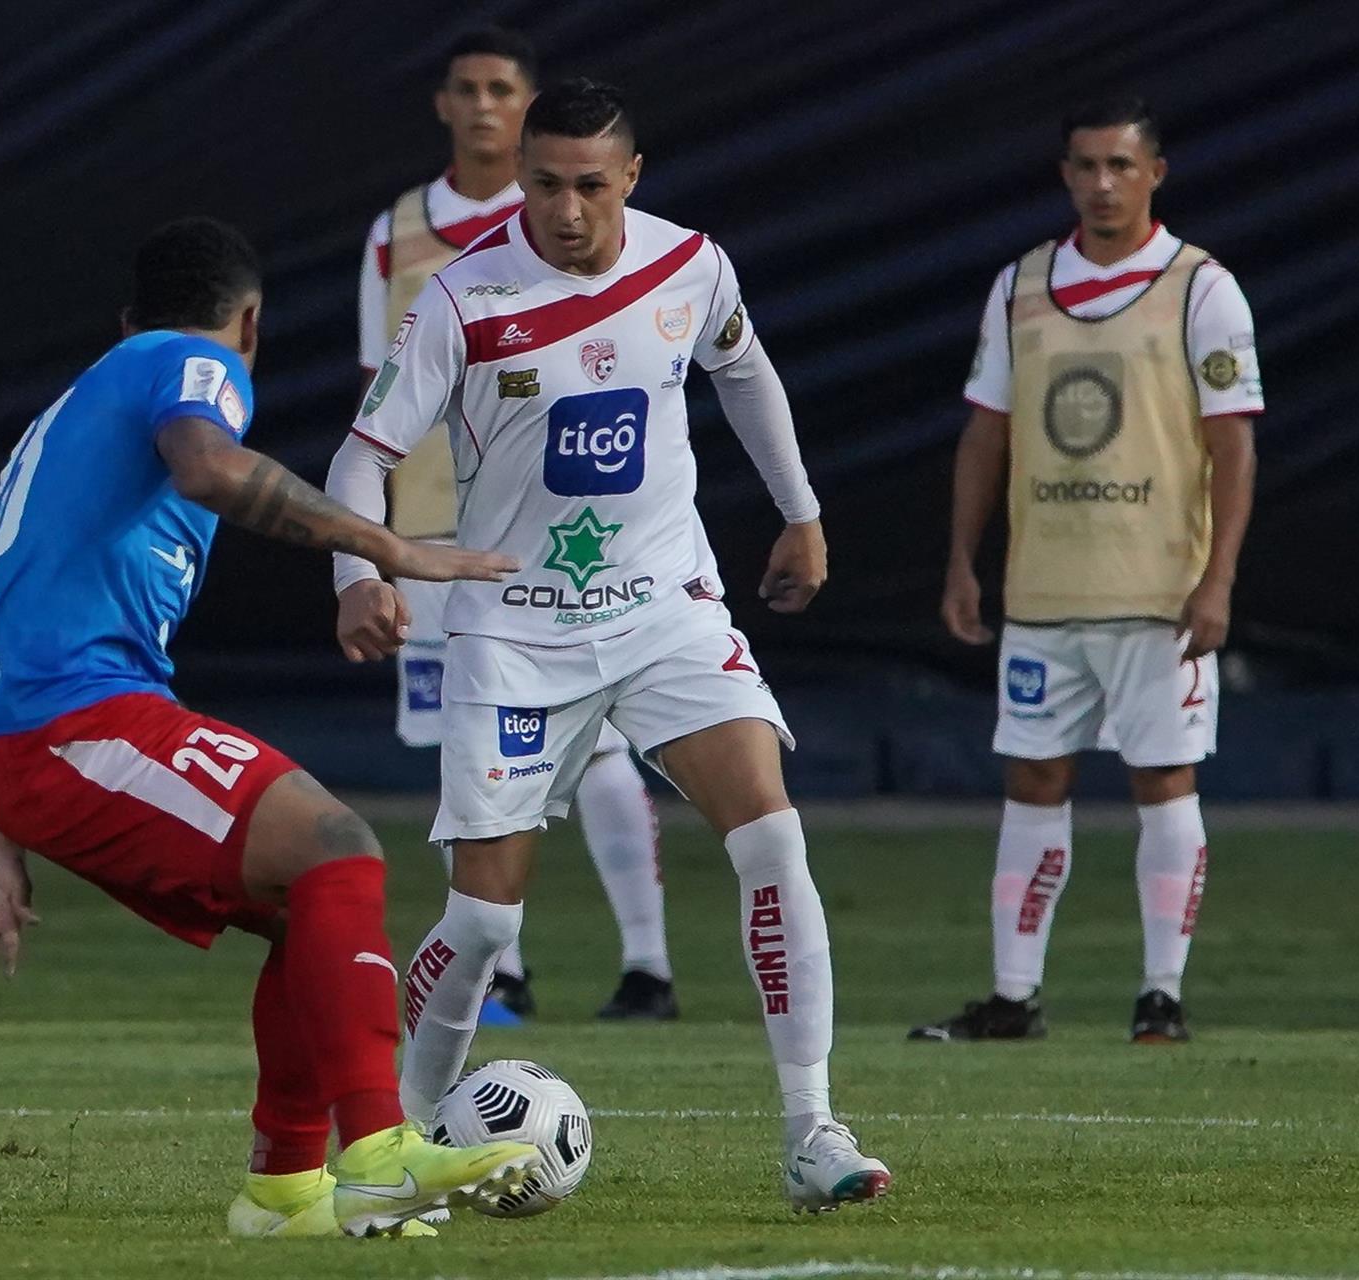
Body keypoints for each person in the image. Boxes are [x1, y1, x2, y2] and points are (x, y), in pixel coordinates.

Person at [327, 79, 891, 1213]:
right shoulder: (464, 295)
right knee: (486, 918)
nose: (567, 208)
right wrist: (358, 572)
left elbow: (745, 369)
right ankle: (390, 1154)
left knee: (772, 835)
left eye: (591, 185)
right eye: (545, 184)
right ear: (521, 177)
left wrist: (802, 508)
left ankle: (812, 1126)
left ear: (631, 177)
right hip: (514, 630)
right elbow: (359, 454)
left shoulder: (693, 265)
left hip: (663, 608)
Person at [0, 217, 538, 1240]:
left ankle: (286, 1190)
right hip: (76, 723)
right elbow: (209, 467)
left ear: (125, 319)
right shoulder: (189, 361)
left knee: (313, 908)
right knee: (337, 844)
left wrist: (1, 832)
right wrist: (389, 544)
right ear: (249, 323)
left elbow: (6, 603)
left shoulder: (72, 412)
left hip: (47, 732)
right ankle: (381, 1149)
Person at [910, 96, 1261, 1045]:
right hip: (1045, 588)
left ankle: (1161, 994)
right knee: (1032, 780)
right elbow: (986, 432)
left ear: (1156, 172)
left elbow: (1233, 446)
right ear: (1064, 174)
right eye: (1084, 166)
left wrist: (1217, 578)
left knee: (1164, 782)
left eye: (1120, 165)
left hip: (1159, 594)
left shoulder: (1201, 288)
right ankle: (1014, 997)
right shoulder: (1022, 284)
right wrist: (963, 562)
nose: (1102, 184)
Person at [360, 27, 677, 1023]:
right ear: (443, 105)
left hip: (568, 526)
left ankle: (648, 965)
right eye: (468, 88)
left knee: (611, 750)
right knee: (478, 752)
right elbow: (376, 392)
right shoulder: (398, 231)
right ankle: (505, 970)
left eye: (503, 87)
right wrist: (372, 540)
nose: (485, 104)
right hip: (433, 534)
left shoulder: (581, 218)